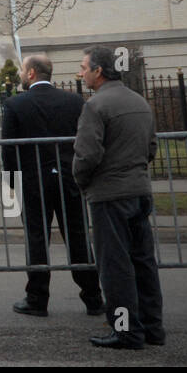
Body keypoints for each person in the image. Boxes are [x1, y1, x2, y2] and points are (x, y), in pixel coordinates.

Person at [74, 44, 164, 350]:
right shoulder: (139, 101)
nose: (80, 73)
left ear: (99, 71)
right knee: (143, 262)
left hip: (109, 194)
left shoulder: (96, 106)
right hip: (139, 190)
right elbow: (151, 148)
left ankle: (125, 331)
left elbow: (87, 155)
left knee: (115, 267)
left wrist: (82, 181)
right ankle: (153, 327)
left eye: (84, 67)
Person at [1, 54, 103, 318]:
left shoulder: (15, 104)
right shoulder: (73, 101)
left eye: (23, 70)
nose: (21, 75)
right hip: (69, 179)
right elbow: (83, 141)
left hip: (33, 182)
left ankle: (37, 298)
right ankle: (93, 297)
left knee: (37, 239)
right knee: (78, 237)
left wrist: (13, 182)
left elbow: (9, 151)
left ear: (32, 73)